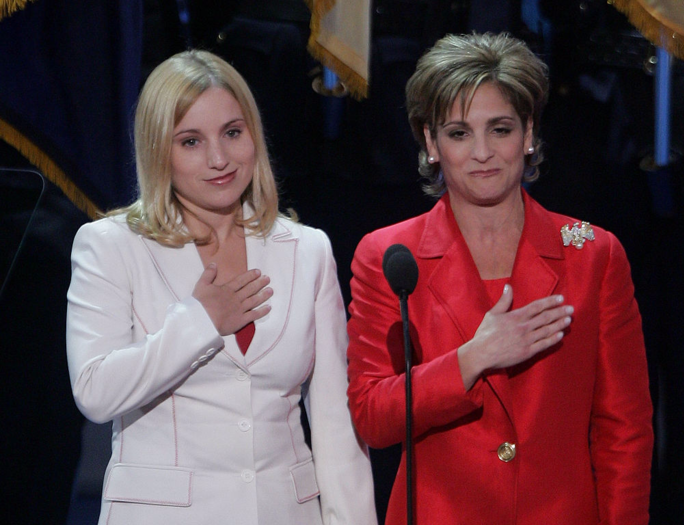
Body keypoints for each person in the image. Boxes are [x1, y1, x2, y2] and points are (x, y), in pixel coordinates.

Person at [346, 32, 653, 524]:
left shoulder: (594, 253)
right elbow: (372, 416)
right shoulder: (387, 254)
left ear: (529, 133)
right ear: (430, 142)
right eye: (459, 133)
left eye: (501, 129)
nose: (483, 153)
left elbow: (625, 430)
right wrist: (473, 358)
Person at [66, 49, 377, 525]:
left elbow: (336, 428)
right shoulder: (110, 245)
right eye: (190, 141)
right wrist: (198, 322)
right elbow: (96, 391)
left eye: (233, 133)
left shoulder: (307, 249)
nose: (219, 159)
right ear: (158, 150)